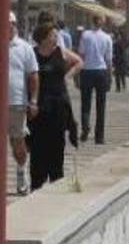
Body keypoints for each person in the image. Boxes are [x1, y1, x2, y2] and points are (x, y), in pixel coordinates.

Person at [27, 22, 82, 190]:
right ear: (43, 38)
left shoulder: (60, 52)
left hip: (58, 107)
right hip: (38, 108)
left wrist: (67, 76)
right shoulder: (33, 54)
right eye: (52, 35)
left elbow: (79, 62)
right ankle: (37, 184)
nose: (56, 37)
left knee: (57, 146)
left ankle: (56, 181)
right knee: (37, 148)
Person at [8, 11, 39, 195]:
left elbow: (34, 75)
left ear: (15, 25)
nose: (8, 26)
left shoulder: (24, 48)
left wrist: (33, 100)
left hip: (17, 103)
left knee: (18, 142)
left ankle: (21, 172)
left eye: (10, 23)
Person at [77, 15, 112, 144]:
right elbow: (108, 60)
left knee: (85, 103)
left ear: (92, 22)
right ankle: (99, 137)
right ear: (102, 23)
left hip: (87, 70)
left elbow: (81, 54)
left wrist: (77, 75)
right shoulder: (107, 37)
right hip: (101, 71)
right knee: (101, 105)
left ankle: (85, 126)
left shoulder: (85, 35)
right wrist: (109, 77)